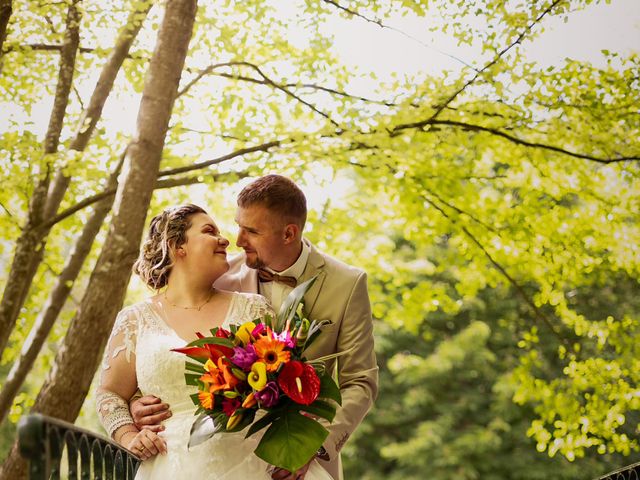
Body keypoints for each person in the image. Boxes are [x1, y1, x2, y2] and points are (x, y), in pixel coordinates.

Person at [131, 175, 379, 480]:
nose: (237, 240)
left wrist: (312, 445)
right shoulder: (218, 274)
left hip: (304, 465)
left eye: (251, 231)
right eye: (238, 225)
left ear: (289, 233)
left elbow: (361, 381)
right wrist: (137, 403)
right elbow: (165, 344)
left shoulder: (347, 283)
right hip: (220, 460)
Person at [96, 203, 333, 479]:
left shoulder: (254, 309)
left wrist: (300, 447)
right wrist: (128, 436)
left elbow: (291, 385)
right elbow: (109, 394)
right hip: (170, 468)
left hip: (255, 467)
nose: (225, 240)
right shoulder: (135, 319)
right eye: (209, 231)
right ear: (177, 245)